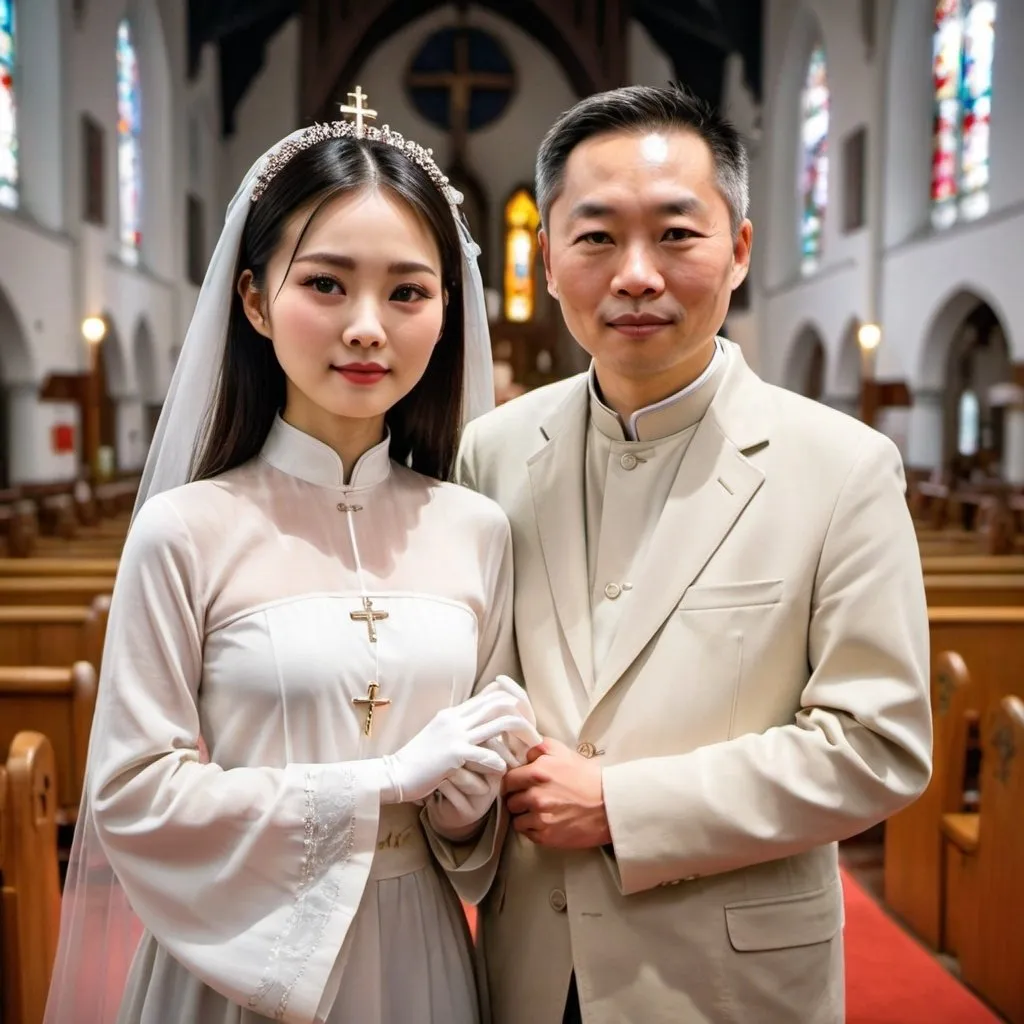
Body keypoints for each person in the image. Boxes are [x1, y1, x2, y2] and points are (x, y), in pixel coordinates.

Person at [44, 95, 540, 1024]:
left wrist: (469, 810)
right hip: (240, 965)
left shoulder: (478, 529)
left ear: (446, 311)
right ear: (254, 301)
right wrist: (383, 781)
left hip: (419, 960)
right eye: (325, 284)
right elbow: (132, 797)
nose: (367, 326)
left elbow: (479, 840)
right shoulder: (186, 530)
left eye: (407, 291)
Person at [456, 85, 933, 1024]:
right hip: (528, 967)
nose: (636, 274)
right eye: (595, 238)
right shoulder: (494, 451)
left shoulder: (842, 466)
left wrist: (623, 806)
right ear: (547, 259)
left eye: (677, 234)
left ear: (741, 250)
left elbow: (879, 746)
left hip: (725, 981)